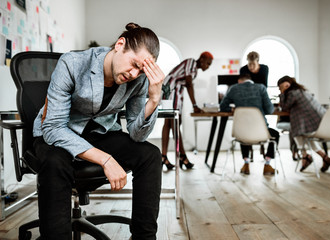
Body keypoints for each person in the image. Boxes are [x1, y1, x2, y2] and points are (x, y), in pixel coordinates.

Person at [33, 23, 165, 240]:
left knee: (150, 155)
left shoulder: (138, 79)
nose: (134, 74)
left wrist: (153, 99)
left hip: (99, 133)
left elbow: (136, 134)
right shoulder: (73, 63)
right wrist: (106, 160)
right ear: (120, 44)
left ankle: (144, 237)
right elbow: (53, 127)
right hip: (58, 132)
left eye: (141, 69)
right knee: (55, 161)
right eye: (133, 64)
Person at [161, 52, 213, 170]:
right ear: (202, 59)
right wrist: (195, 105)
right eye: (208, 63)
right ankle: (179, 156)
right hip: (171, 90)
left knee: (172, 124)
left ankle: (167, 156)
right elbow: (189, 84)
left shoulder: (195, 71)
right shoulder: (191, 62)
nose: (208, 67)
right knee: (172, 123)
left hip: (177, 92)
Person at [219, 73, 279, 175]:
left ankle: (246, 164)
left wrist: (233, 109)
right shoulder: (261, 88)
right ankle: (267, 164)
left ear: (239, 81)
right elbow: (270, 109)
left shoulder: (234, 88)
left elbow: (222, 107)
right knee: (275, 134)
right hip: (261, 132)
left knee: (244, 134)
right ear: (250, 80)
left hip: (241, 133)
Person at [277, 76, 330, 172]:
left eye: (281, 87)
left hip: (313, 125)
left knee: (296, 132)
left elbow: (285, 107)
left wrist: (282, 94)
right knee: (301, 133)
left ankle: (306, 156)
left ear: (287, 85)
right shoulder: (301, 91)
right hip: (320, 124)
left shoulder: (292, 93)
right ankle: (323, 157)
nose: (280, 89)